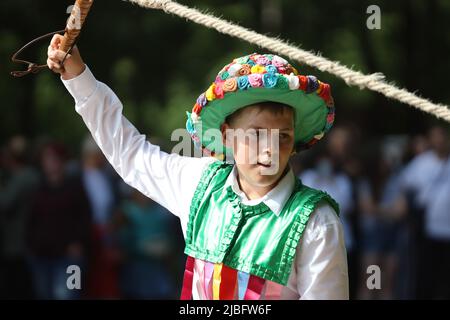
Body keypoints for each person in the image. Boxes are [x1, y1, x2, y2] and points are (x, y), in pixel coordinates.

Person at [46, 35, 348, 300]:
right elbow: (130, 154)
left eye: (283, 137)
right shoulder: (199, 185)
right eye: (256, 134)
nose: (270, 150)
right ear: (228, 135)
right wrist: (79, 77)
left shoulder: (317, 222)